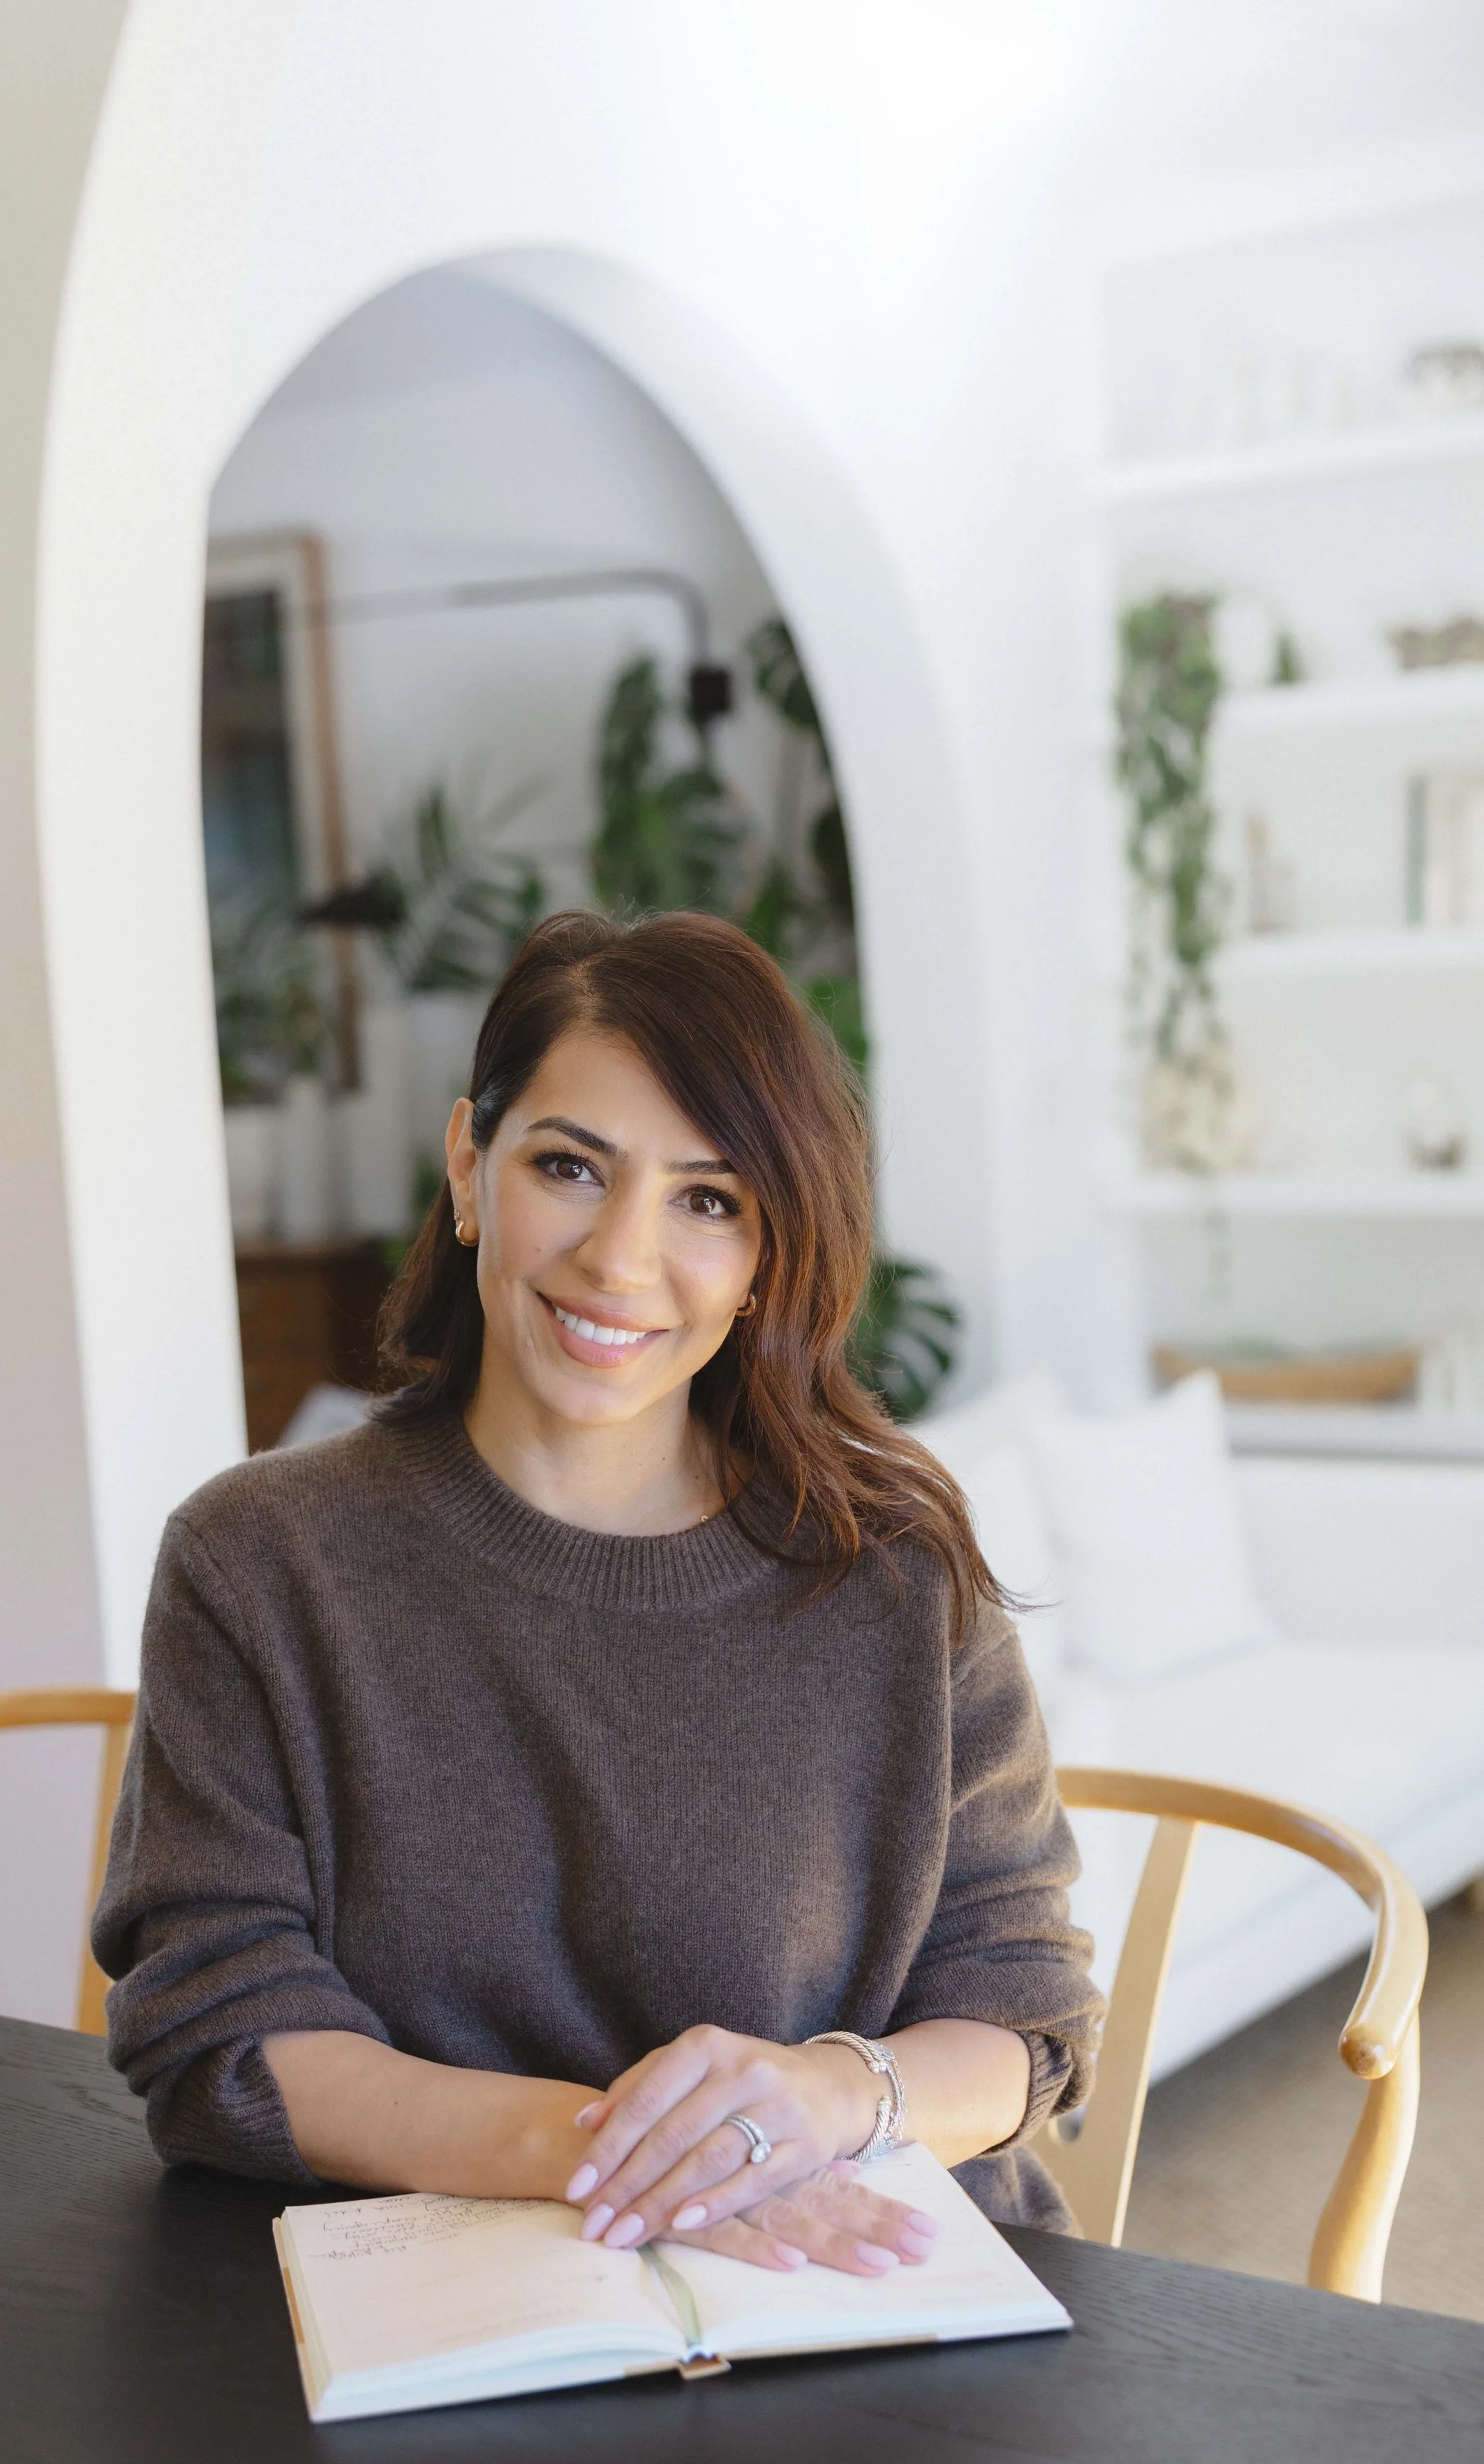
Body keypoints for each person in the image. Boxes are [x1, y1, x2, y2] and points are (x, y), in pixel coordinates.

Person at [94, 910, 1100, 2276]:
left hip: (858, 2287)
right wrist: (634, 2162)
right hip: (452, 2307)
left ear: (764, 1260)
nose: (621, 1260)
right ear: (468, 1166)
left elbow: (1019, 2013)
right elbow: (219, 2027)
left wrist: (822, 2103)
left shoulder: (896, 1571)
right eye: (570, 1167)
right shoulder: (257, 1563)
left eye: (707, 1199)